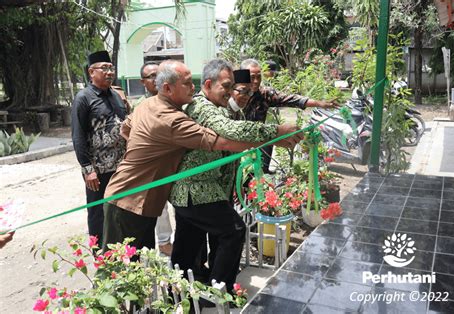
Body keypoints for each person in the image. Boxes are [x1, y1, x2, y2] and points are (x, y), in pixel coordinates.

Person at [101, 60, 300, 252]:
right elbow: (223, 142)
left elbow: (125, 130)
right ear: (168, 89)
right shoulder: (172, 120)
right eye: (186, 83)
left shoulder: (148, 104)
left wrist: (147, 152)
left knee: (143, 265)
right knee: (121, 268)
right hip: (128, 200)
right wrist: (276, 135)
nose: (192, 87)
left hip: (142, 200)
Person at [169, 59, 304, 294]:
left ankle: (182, 295)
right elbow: (233, 131)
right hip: (195, 188)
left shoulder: (219, 108)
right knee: (233, 230)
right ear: (209, 84)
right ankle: (219, 290)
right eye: (227, 86)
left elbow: (236, 138)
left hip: (198, 191)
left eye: (233, 87)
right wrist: (277, 131)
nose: (231, 93)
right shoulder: (202, 107)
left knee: (187, 247)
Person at [240, 58, 339, 173]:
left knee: (267, 143)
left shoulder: (264, 94)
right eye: (252, 77)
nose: (256, 81)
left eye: (258, 77)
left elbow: (292, 99)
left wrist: (320, 103)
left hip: (257, 140)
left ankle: (263, 173)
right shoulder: (233, 95)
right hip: (236, 142)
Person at [71, 51, 127, 246]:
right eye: (104, 68)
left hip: (120, 167)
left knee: (119, 208)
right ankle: (100, 254)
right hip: (98, 170)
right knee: (98, 212)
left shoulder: (116, 96)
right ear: (91, 72)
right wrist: (88, 169)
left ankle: (120, 248)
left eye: (111, 68)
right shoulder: (84, 98)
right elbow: (78, 135)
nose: (109, 72)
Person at [133, 61, 174, 256]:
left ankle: (169, 242)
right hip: (149, 166)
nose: (156, 79)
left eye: (158, 75)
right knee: (158, 205)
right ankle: (163, 242)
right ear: (143, 82)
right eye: (151, 76)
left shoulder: (172, 100)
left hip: (171, 163)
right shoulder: (139, 105)